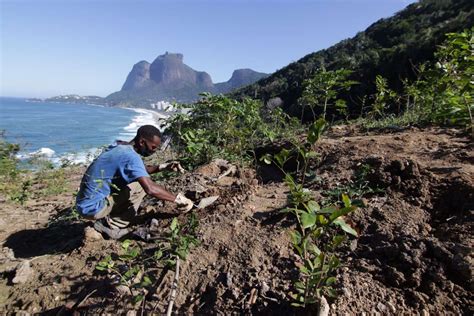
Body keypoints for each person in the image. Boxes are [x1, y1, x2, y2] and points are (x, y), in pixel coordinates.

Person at [75, 125, 193, 239]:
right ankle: (112, 226)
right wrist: (178, 199)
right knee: (140, 186)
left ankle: (112, 215)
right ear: (142, 142)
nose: (154, 151)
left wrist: (162, 167)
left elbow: (138, 169)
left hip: (85, 203)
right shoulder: (131, 156)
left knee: (137, 180)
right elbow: (150, 189)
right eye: (153, 147)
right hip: (93, 208)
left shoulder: (119, 145)